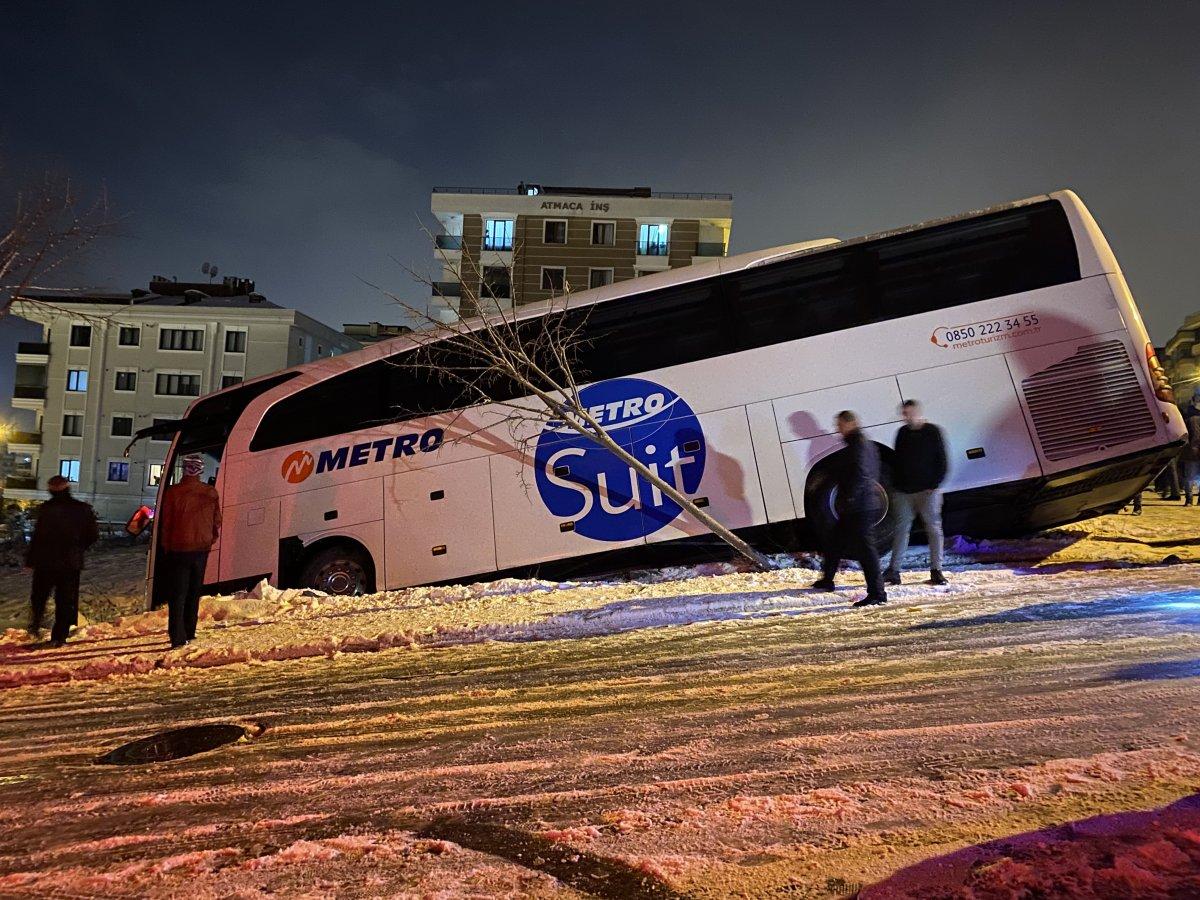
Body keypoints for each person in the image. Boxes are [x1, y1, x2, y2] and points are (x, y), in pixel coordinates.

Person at [812, 410, 888, 607]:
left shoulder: (859, 444)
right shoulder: (862, 444)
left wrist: (851, 497)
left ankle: (878, 593)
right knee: (834, 541)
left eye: (839, 425)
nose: (837, 429)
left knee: (866, 551)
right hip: (857, 506)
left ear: (850, 423)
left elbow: (861, 473)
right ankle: (827, 580)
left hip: (860, 507)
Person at [25, 475, 99, 646]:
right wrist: (78, 548)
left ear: (51, 490)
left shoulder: (46, 509)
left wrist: (30, 560)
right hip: (70, 563)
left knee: (39, 596)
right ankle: (59, 636)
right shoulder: (82, 509)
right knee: (65, 600)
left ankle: (36, 625)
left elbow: (37, 537)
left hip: (45, 562)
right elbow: (93, 535)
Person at [158, 455, 222, 648]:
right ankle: (190, 630)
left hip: (178, 549)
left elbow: (166, 523)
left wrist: (166, 546)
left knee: (178, 594)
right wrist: (210, 539)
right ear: (200, 471)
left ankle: (177, 636)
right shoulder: (209, 493)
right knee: (194, 592)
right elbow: (217, 521)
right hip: (201, 550)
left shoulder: (172, 493)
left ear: (184, 469)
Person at [884, 400, 950, 586]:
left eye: (909, 413)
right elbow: (898, 460)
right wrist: (897, 486)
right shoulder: (903, 433)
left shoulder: (932, 431)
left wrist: (935, 483)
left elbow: (942, 460)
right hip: (904, 491)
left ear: (917, 412)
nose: (906, 417)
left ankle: (936, 570)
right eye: (905, 414)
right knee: (902, 529)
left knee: (933, 529)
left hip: (927, 490)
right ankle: (893, 570)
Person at [1182, 392, 1200, 506]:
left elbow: (1185, 436)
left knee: (1189, 476)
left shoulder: (1189, 419)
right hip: (1195, 451)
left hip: (1192, 452)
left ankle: (1189, 499)